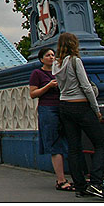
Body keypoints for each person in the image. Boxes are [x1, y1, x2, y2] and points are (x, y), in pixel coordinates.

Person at [52, 32, 104, 201]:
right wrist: (96, 109)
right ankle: (96, 182)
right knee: (101, 145)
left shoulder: (56, 65)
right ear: (74, 44)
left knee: (74, 148)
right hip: (80, 106)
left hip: (64, 106)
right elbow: (86, 87)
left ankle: (80, 187)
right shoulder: (75, 61)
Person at [29, 47, 73, 191]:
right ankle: (61, 180)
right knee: (54, 143)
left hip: (63, 107)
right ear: (41, 59)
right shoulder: (37, 73)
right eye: (48, 55)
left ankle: (75, 176)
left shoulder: (60, 72)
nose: (51, 57)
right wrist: (48, 86)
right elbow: (33, 94)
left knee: (70, 140)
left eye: (53, 55)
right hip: (48, 109)